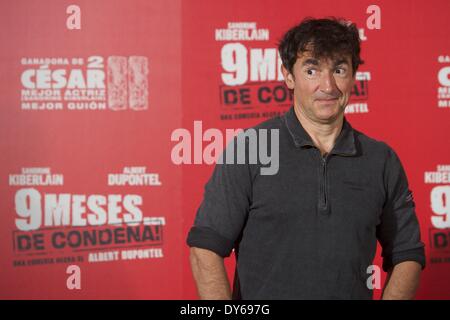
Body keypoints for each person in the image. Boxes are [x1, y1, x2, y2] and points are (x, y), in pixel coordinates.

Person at [186, 17, 425, 300]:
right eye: (312, 70)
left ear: (353, 75)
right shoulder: (251, 148)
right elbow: (205, 247)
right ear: (289, 75)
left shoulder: (381, 160)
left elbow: (407, 253)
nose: (327, 85)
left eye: (339, 69)